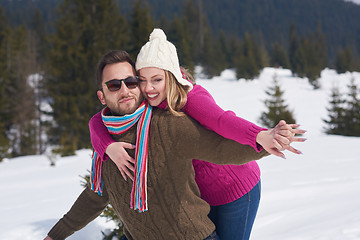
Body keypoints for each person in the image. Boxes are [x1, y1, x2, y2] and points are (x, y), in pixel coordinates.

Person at [89, 29, 305, 240]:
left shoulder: (191, 99)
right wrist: (108, 147)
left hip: (236, 190)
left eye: (156, 79)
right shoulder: (148, 97)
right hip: (201, 195)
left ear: (170, 76)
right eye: (142, 80)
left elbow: (222, 120)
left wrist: (261, 136)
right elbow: (96, 121)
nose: (148, 87)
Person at [44, 49, 276, 240]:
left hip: (234, 189)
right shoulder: (106, 143)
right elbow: (96, 195)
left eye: (131, 82)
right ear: (102, 97)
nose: (125, 90)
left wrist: (268, 140)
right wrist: (55, 236)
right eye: (114, 85)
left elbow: (220, 140)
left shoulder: (170, 122)